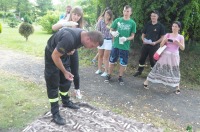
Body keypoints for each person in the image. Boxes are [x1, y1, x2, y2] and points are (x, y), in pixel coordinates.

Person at [44, 27, 103, 125]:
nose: (91, 48)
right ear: (88, 39)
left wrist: (71, 50)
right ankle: (55, 113)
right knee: (53, 82)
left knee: (66, 80)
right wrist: (64, 71)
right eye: (92, 46)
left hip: (63, 54)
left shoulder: (83, 36)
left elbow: (73, 45)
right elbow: (55, 56)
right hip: (52, 55)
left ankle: (65, 101)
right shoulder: (69, 38)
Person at [143, 21, 185, 94]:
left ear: (179, 28)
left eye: (176, 26)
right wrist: (165, 40)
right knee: (157, 67)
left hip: (174, 56)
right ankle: (146, 82)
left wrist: (178, 43)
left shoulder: (181, 37)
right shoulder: (167, 35)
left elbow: (183, 48)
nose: (174, 28)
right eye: (173, 26)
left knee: (175, 71)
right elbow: (161, 45)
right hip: (165, 55)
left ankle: (177, 87)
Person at [52, 6, 83, 99]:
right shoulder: (65, 21)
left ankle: (77, 90)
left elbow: (81, 40)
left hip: (73, 51)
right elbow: (53, 27)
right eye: (74, 14)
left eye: (78, 15)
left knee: (75, 71)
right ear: (71, 14)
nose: (76, 17)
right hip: (62, 51)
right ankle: (60, 91)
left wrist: (74, 49)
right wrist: (65, 24)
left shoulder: (80, 26)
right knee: (62, 70)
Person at [104, 5, 136, 85]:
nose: (126, 13)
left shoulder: (132, 23)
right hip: (116, 45)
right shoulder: (118, 20)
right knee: (112, 61)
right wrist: (112, 32)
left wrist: (126, 38)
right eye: (125, 11)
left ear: (131, 12)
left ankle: (120, 77)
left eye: (128, 11)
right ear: (123, 11)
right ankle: (109, 75)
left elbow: (132, 36)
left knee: (123, 63)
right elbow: (111, 29)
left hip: (125, 47)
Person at [133, 10, 165, 77]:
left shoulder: (160, 26)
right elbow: (143, 34)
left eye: (154, 16)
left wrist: (156, 42)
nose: (153, 17)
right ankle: (139, 71)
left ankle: (153, 74)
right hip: (145, 45)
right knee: (142, 58)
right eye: (152, 16)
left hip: (154, 46)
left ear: (157, 17)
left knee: (152, 60)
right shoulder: (148, 24)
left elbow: (162, 37)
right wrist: (143, 40)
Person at [95, 9, 113, 77]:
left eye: (108, 15)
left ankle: (106, 71)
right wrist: (97, 40)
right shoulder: (101, 22)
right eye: (105, 14)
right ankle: (99, 69)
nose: (106, 15)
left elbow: (113, 33)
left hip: (108, 41)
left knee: (106, 57)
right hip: (101, 40)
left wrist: (113, 42)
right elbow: (98, 30)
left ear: (110, 16)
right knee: (100, 55)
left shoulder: (112, 23)